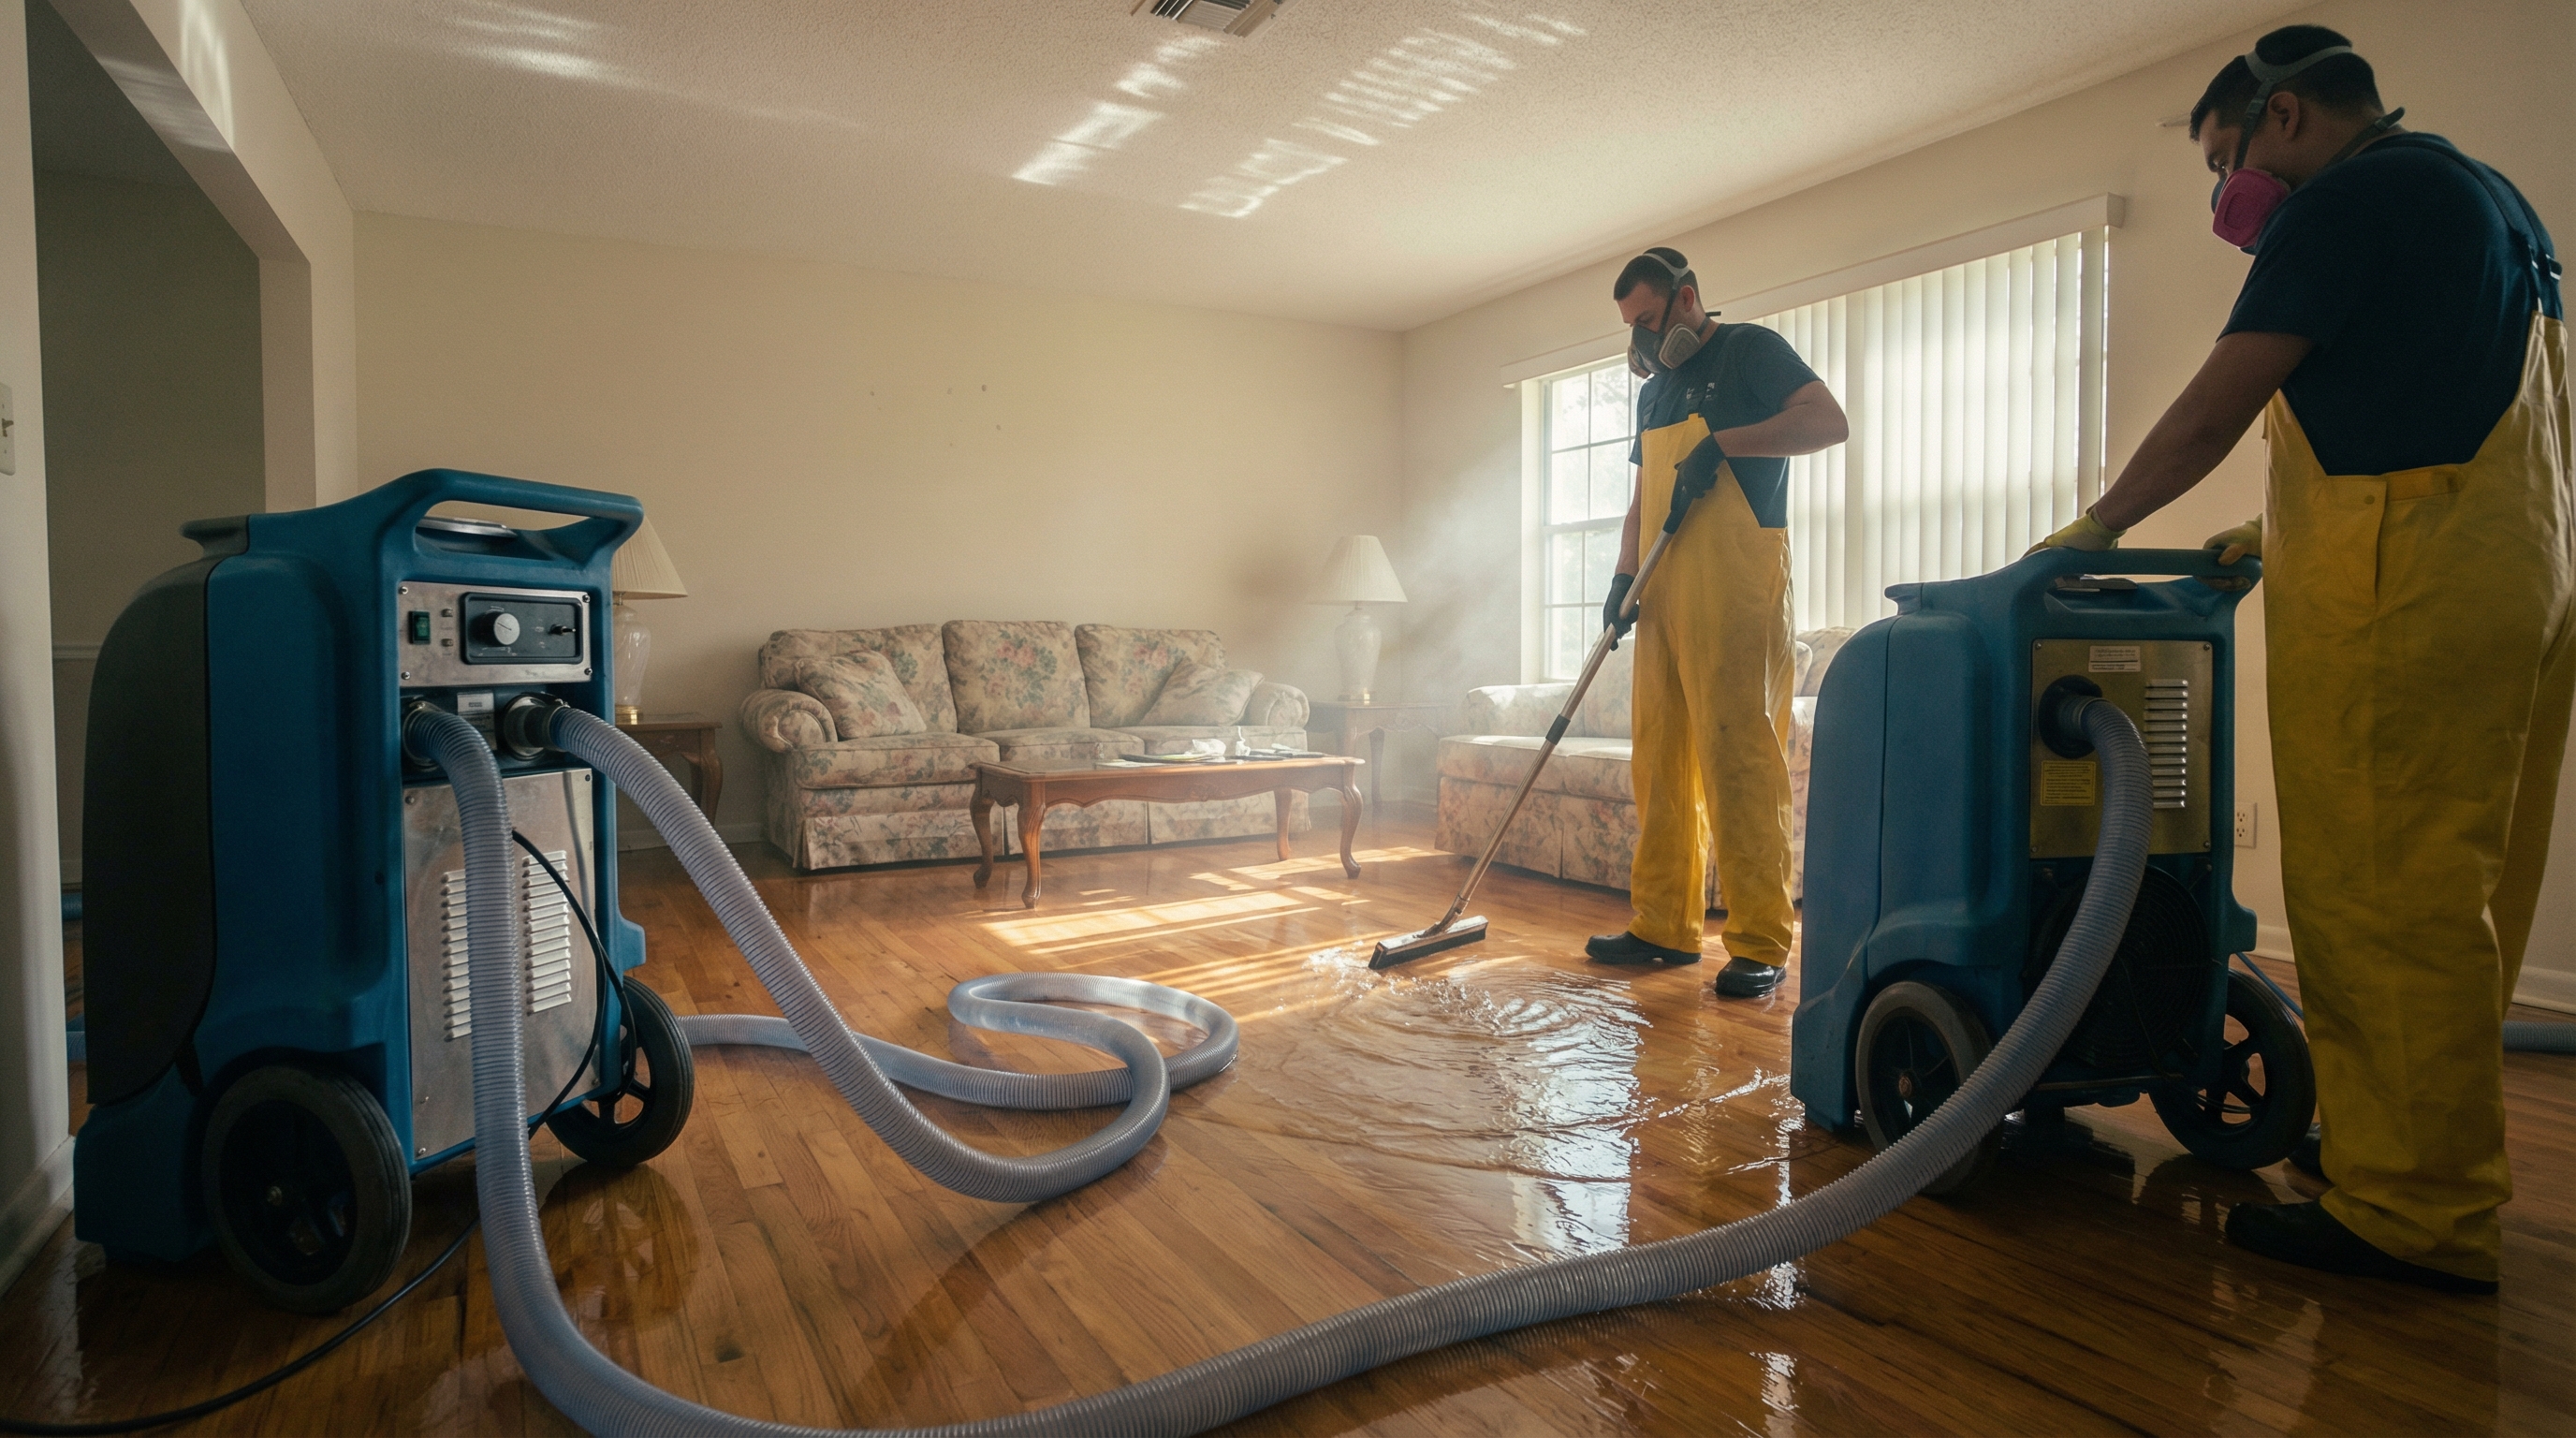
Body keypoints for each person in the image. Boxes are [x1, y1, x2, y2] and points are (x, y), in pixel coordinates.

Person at [2030, 25, 2566, 1294]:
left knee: (2380, 896)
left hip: (2411, 590)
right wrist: (2280, 529)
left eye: (2225, 162)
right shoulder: (2486, 196)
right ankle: (2400, 1152)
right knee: (2455, 900)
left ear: (2284, 118)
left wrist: (2096, 527)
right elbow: (2436, 401)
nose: (2228, 200)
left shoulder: (2347, 198)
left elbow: (2221, 399)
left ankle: (2413, 1215)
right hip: (2517, 572)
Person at [1586, 249, 1849, 999]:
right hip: (1664, 584)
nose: (1640, 338)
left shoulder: (1751, 351)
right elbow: (1642, 499)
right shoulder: (1654, 392)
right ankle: (1661, 927)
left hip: (1736, 581)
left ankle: (1761, 939)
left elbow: (1827, 423)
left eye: (1646, 319)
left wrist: (1724, 444)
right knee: (1658, 756)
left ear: (1687, 298)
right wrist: (1622, 578)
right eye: (1630, 327)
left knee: (1738, 759)